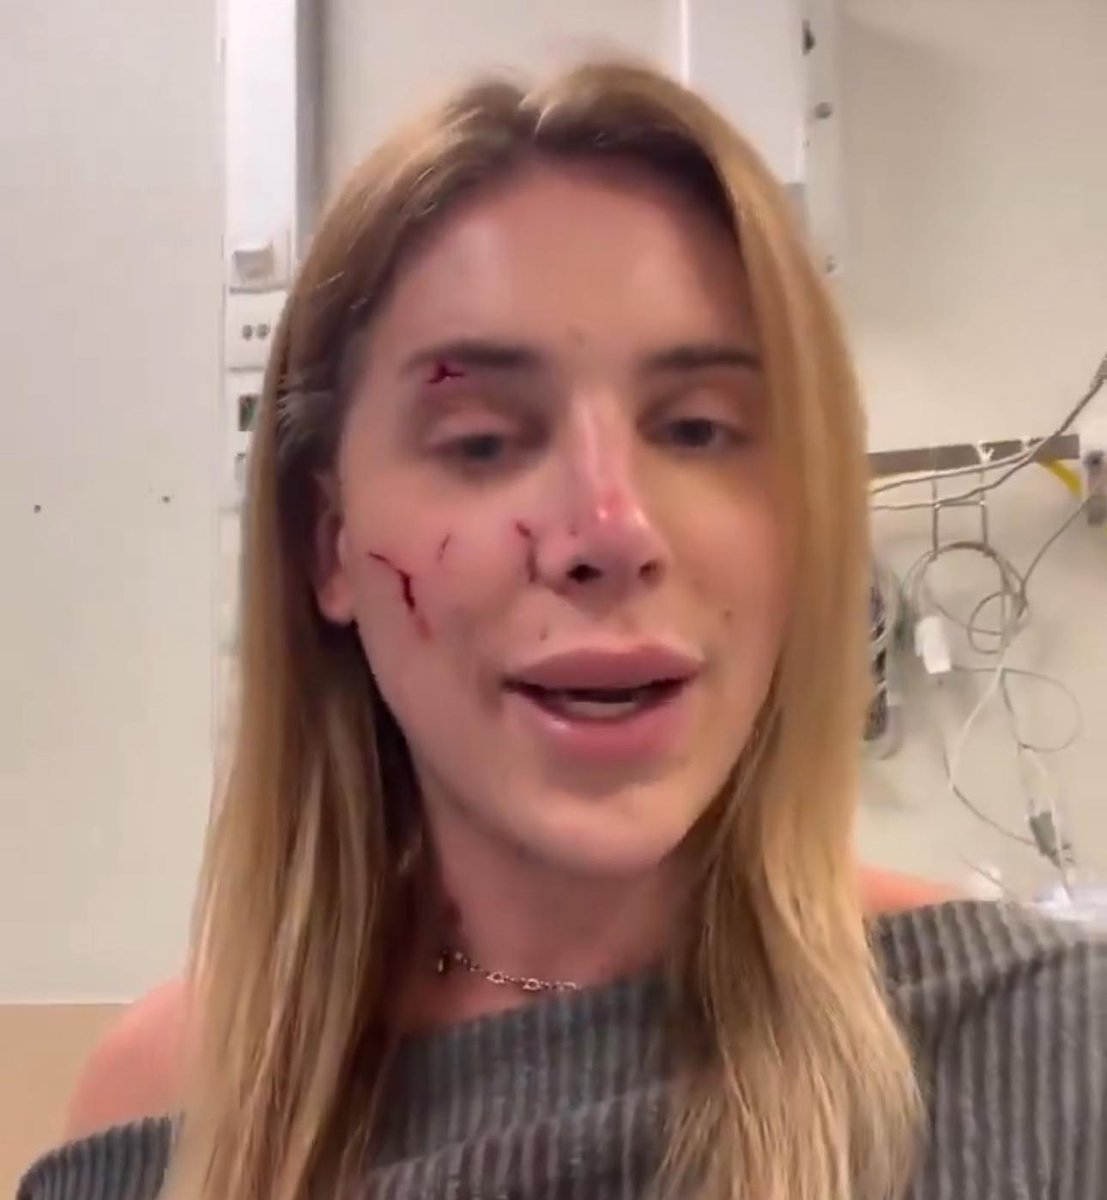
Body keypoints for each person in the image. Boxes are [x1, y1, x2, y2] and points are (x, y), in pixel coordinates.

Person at [20, 59, 1104, 1200]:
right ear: (327, 545)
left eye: (697, 430)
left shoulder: (1049, 1071)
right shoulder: (164, 1122)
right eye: (483, 441)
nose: (611, 531)